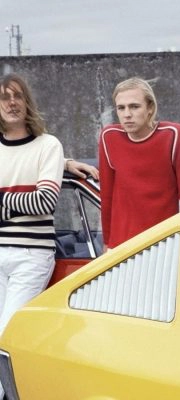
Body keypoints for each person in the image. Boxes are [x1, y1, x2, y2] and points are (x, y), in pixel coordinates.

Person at [0, 73, 64, 397]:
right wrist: (20, 201)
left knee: (6, 335)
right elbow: (33, 200)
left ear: (27, 103)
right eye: (4, 97)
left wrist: (1, 201)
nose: (11, 103)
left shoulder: (48, 145)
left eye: (18, 96)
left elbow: (45, 202)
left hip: (32, 255)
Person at [99, 77, 180, 251]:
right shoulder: (109, 136)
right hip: (121, 248)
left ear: (150, 108)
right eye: (121, 108)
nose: (127, 114)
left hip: (162, 246)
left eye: (134, 106)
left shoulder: (173, 135)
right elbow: (106, 197)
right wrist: (107, 244)